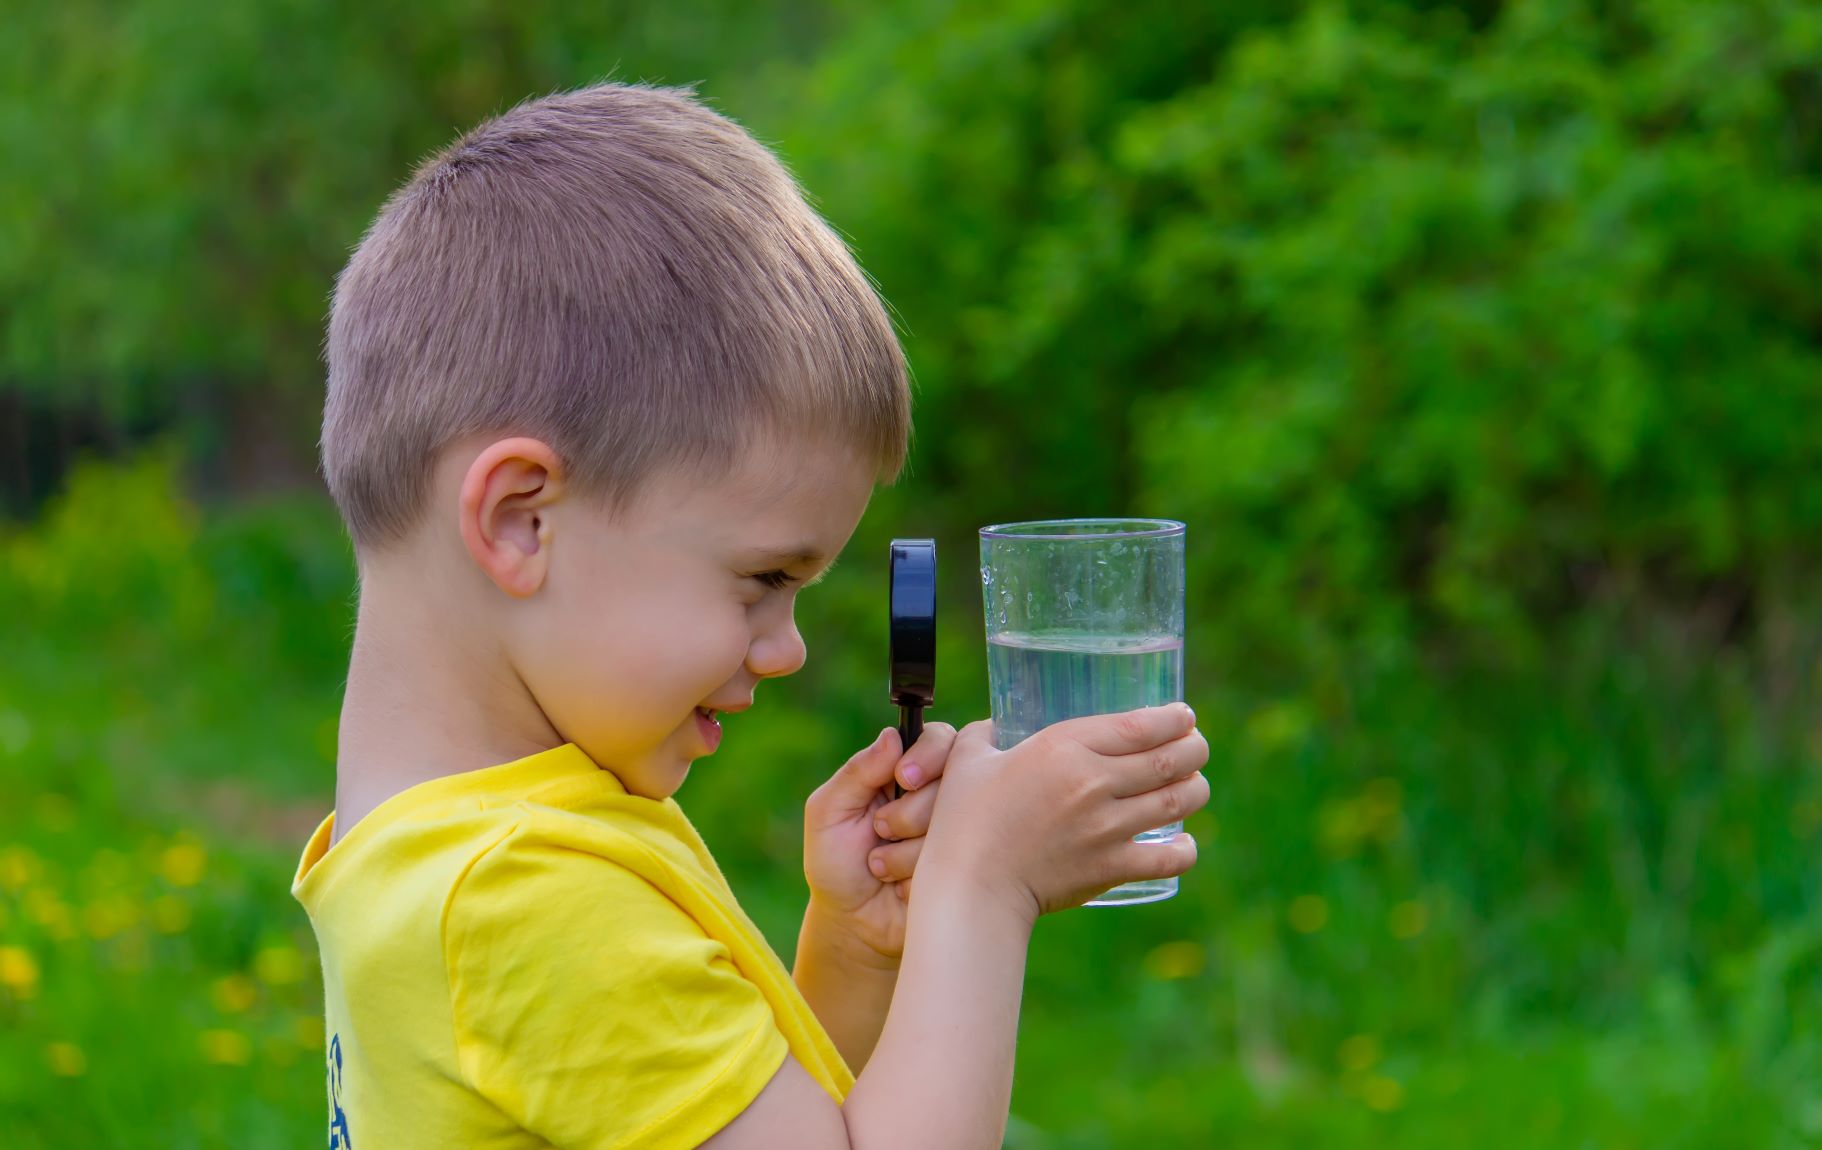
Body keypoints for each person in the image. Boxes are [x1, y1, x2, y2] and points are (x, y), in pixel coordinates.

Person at [291, 81, 1210, 1150]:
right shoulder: (522, 897)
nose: (787, 649)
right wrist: (983, 885)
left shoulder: (459, 853)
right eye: (762, 580)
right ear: (522, 519)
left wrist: (856, 953)